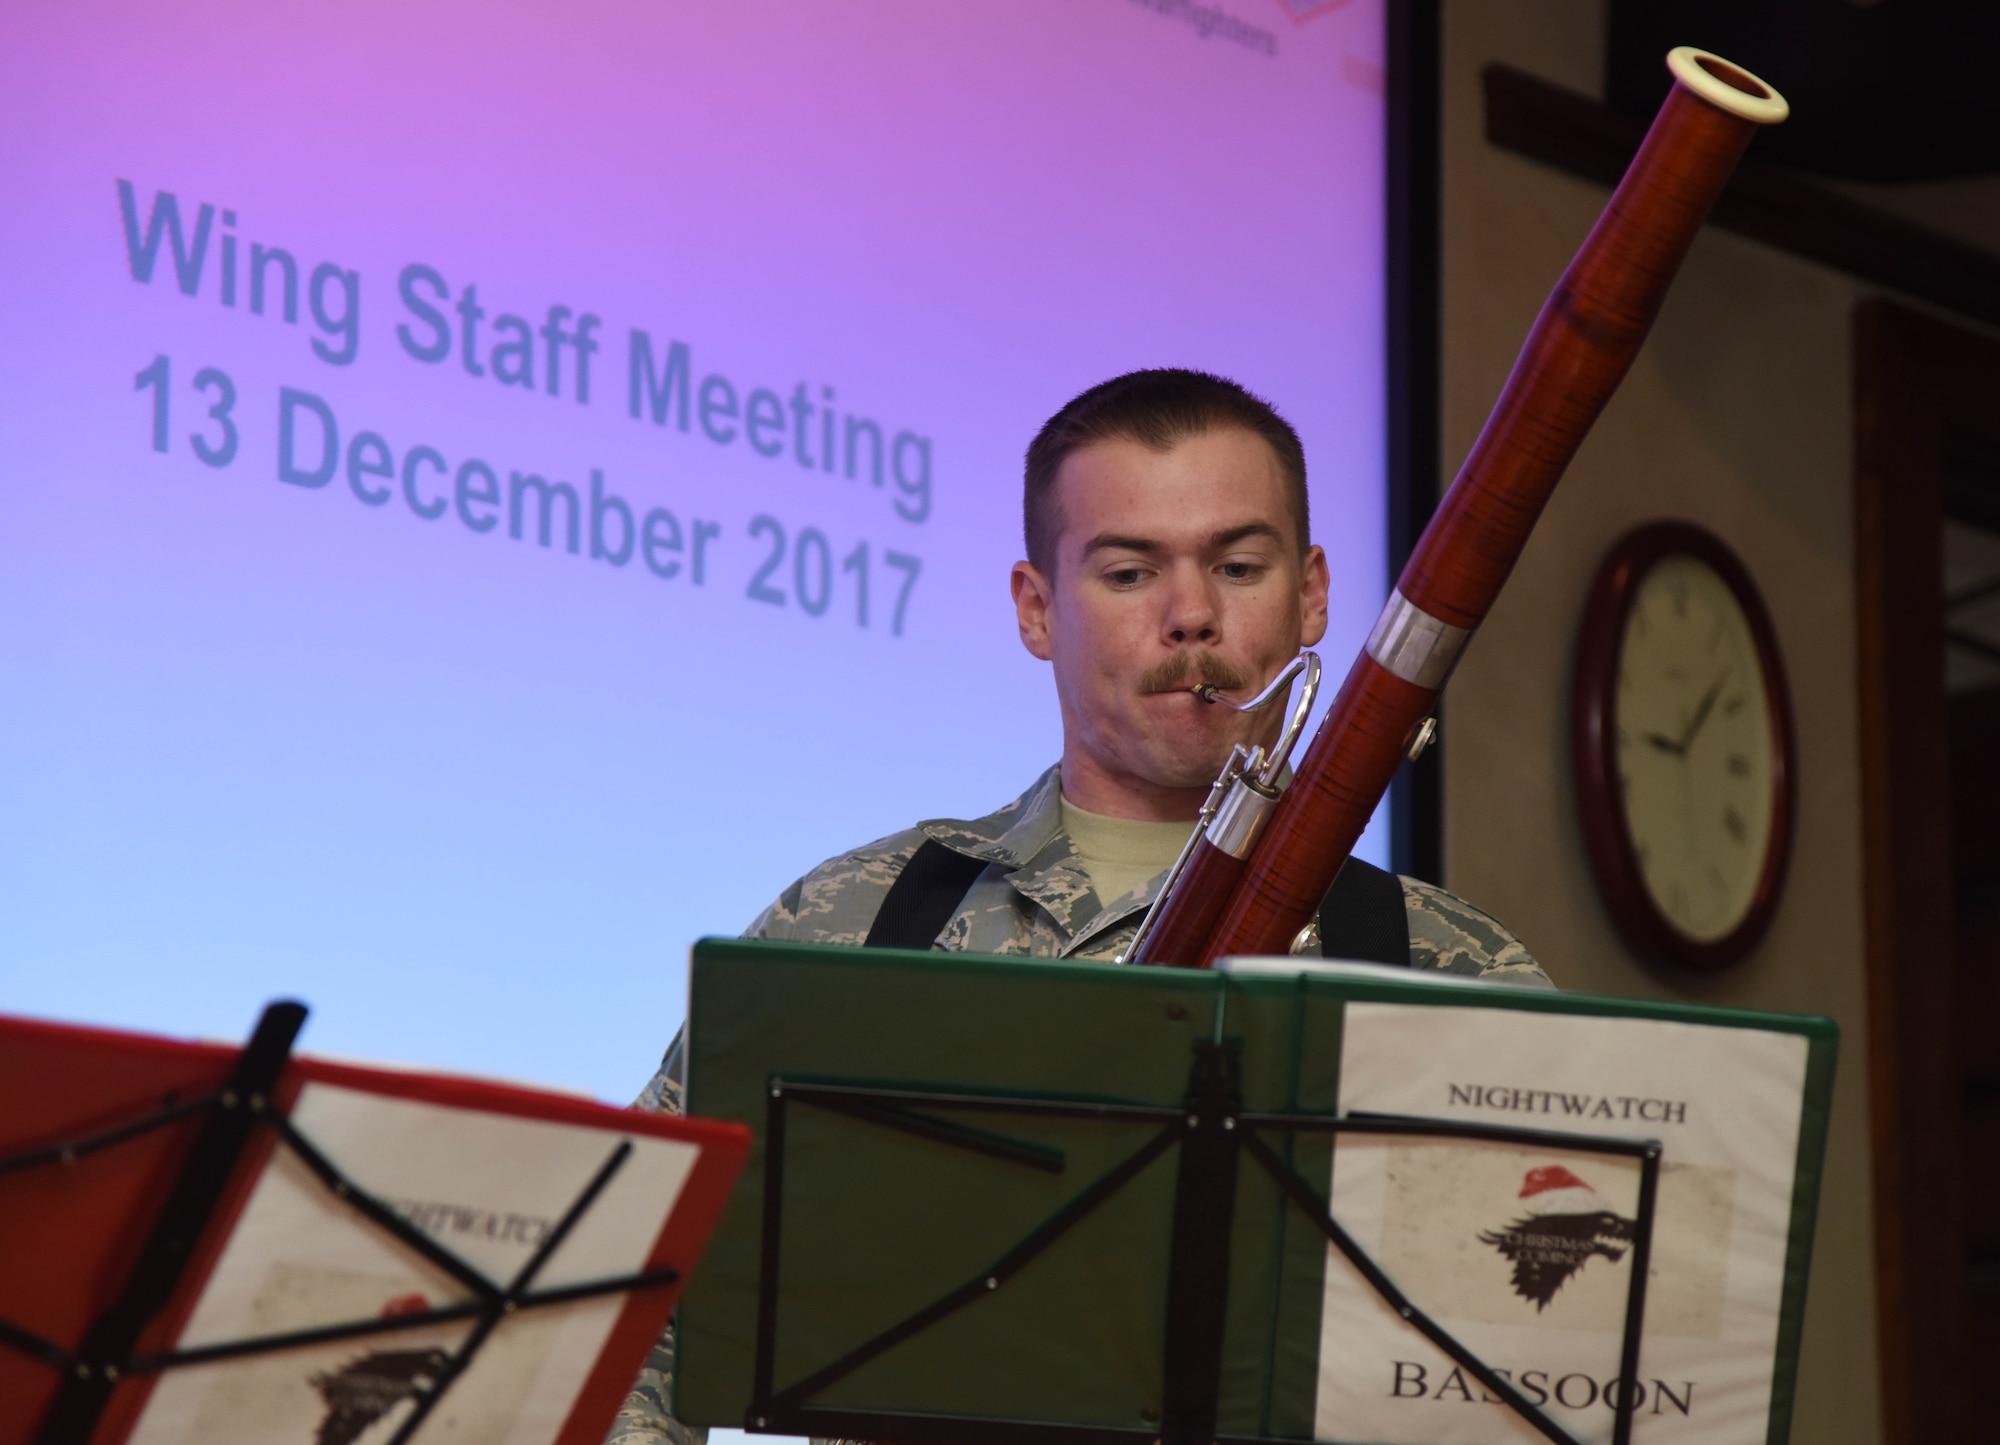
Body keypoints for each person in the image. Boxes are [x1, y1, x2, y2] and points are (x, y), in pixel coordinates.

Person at [605, 369, 1548, 1445]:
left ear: (1313, 594)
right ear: (1036, 609)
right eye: (1128, 571)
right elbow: (633, 1303)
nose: (1190, 615)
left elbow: (1568, 1359)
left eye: (1238, 566)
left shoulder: (1451, 966)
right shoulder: (851, 922)